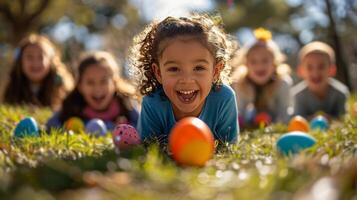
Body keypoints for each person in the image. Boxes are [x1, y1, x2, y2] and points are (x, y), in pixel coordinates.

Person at [129, 14, 239, 146]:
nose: (186, 80)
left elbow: (229, 146)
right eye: (174, 69)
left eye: (198, 68)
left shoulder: (224, 99)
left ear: (215, 71)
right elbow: (147, 149)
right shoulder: (153, 104)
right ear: (158, 72)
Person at [46, 51, 139, 131]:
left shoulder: (126, 105)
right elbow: (51, 125)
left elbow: (143, 127)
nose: (97, 89)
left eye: (104, 81)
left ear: (114, 83)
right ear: (80, 86)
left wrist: (127, 128)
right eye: (90, 83)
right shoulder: (72, 106)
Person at [230, 28, 292, 128]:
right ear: (246, 64)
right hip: (251, 119)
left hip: (274, 119)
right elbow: (238, 110)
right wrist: (240, 123)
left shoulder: (282, 82)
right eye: (253, 62)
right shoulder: (241, 83)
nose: (259, 66)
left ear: (274, 63)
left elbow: (284, 110)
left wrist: (277, 125)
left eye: (265, 60)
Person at [2, 34, 74, 110]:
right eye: (29, 57)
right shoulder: (12, 86)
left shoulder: (62, 87)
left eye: (41, 57)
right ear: (20, 62)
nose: (35, 63)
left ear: (51, 61)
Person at [292, 41, 349, 119]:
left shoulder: (340, 93)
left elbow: (343, 117)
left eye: (321, 67)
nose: (315, 72)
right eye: (309, 67)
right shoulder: (297, 95)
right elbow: (297, 119)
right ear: (300, 71)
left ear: (332, 70)